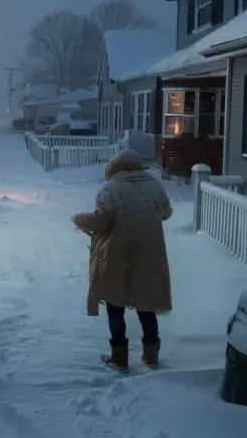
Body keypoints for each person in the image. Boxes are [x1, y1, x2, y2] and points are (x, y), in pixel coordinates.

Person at [71, 149, 172, 371]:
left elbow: (101, 220)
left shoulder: (110, 189)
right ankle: (151, 356)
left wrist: (79, 219)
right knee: (147, 303)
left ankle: (119, 358)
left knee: (115, 302)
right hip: (149, 253)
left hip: (118, 253)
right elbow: (166, 213)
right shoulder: (154, 186)